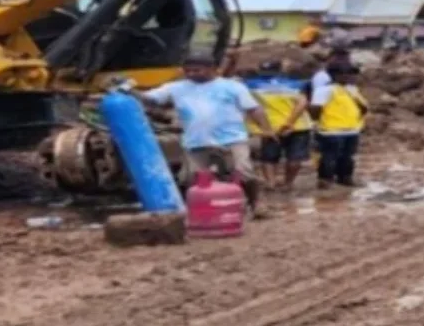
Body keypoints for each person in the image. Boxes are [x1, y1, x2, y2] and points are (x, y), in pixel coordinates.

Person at [141, 52, 275, 216]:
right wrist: (128, 91)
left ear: (213, 69)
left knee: (243, 171)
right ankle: (201, 210)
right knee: (189, 178)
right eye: (188, 71)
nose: (191, 74)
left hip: (232, 138)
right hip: (196, 141)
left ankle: (257, 204)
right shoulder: (176, 88)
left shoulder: (232, 87)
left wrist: (267, 129)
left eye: (197, 70)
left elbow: (254, 109)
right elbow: (148, 99)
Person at [245, 60, 312, 191]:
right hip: (298, 126)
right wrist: (289, 123)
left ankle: (271, 182)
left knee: (269, 157)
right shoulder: (296, 84)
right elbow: (302, 103)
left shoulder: (250, 84)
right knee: (295, 157)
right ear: (280, 70)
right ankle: (288, 183)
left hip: (269, 127)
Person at [309, 63, 368, 188]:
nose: (349, 76)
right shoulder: (324, 90)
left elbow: (363, 107)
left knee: (348, 157)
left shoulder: (352, 89)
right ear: (334, 75)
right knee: (329, 156)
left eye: (350, 73)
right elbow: (315, 110)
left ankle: (345, 177)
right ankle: (325, 180)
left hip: (351, 129)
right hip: (331, 130)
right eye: (345, 73)